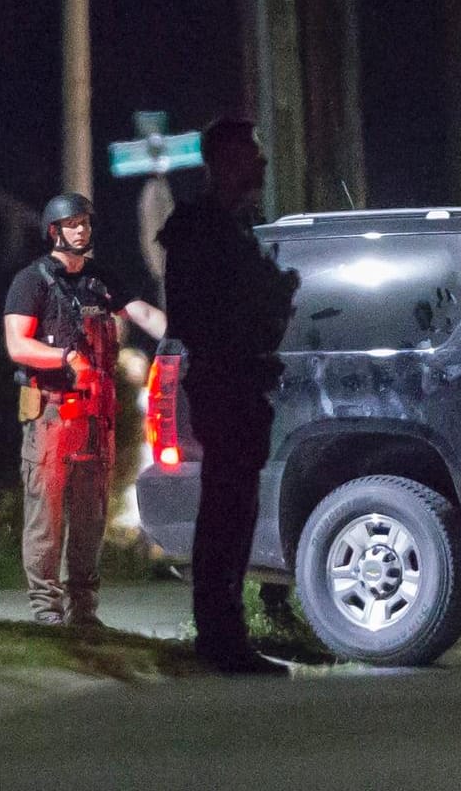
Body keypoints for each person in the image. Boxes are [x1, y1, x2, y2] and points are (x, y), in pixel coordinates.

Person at [157, 117, 299, 674]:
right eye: (251, 154)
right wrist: (263, 299)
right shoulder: (200, 229)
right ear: (223, 161)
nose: (261, 165)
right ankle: (220, 636)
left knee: (237, 511)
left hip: (244, 381)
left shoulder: (239, 227)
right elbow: (198, 314)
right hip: (224, 381)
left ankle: (225, 634)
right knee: (224, 512)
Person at [3, 192, 166, 627]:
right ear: (54, 231)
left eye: (86, 223)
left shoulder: (101, 280)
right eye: (72, 224)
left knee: (92, 517)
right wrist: (63, 359)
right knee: (46, 516)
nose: (81, 231)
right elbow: (17, 343)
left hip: (96, 418)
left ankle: (84, 611)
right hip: (51, 415)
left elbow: (142, 313)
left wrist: (184, 334)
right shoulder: (31, 281)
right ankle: (46, 610)